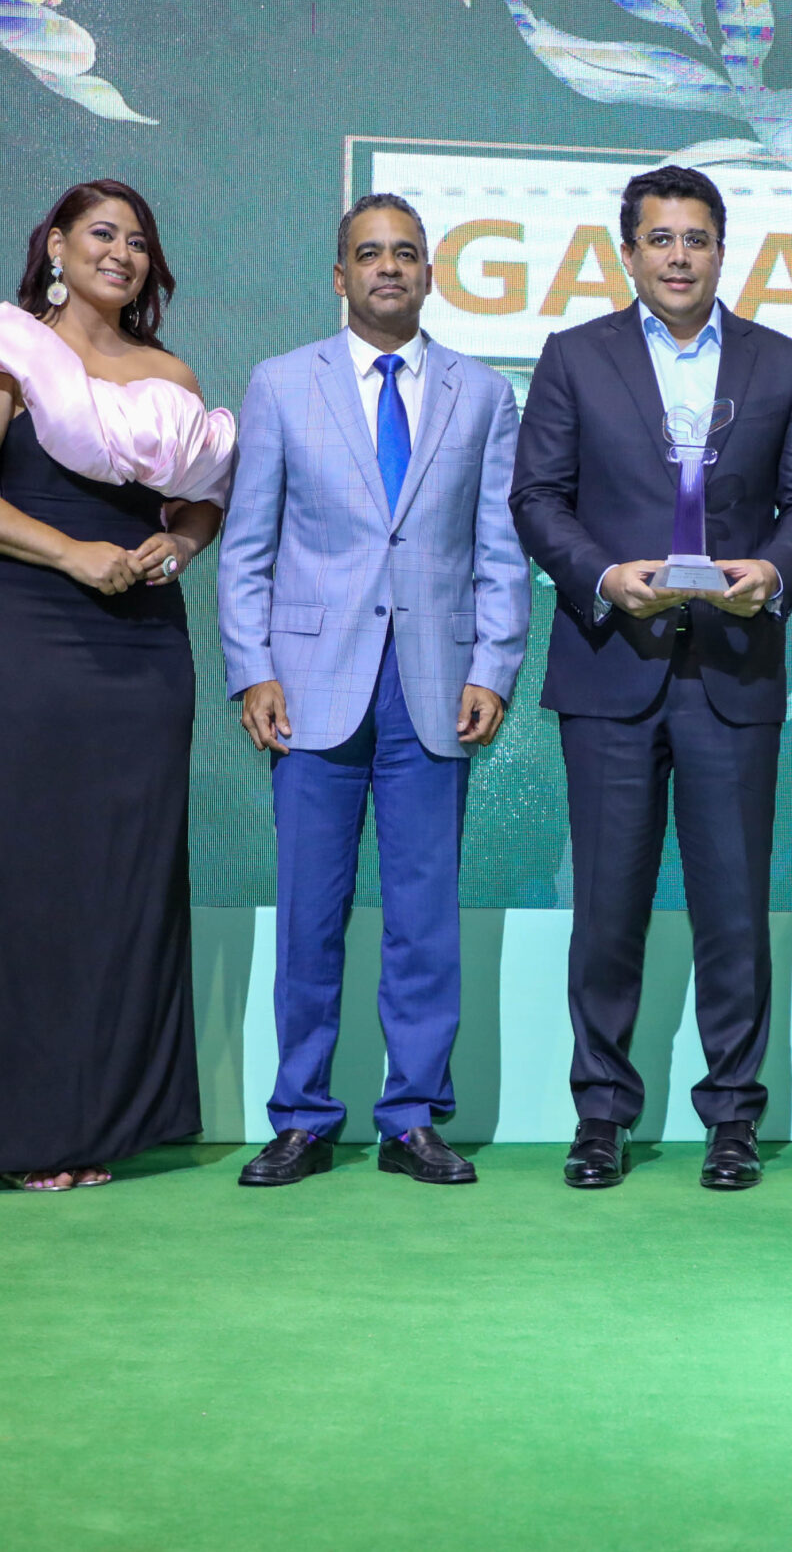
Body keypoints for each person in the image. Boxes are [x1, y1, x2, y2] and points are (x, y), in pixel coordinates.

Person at [510, 165, 792, 1191]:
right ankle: (601, 1115)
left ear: (722, 250)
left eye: (697, 238)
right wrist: (603, 577)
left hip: (731, 670)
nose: (679, 256)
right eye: (660, 238)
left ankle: (732, 1119)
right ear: (628, 253)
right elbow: (537, 498)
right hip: (612, 665)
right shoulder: (575, 357)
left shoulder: (782, 363)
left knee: (733, 911)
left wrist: (772, 572)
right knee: (606, 908)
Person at [0, 179, 236, 1191]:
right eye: (102, 233)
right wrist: (70, 553)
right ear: (54, 244)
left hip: (146, 647)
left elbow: (201, 503)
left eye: (138, 241)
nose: (122, 253)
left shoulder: (170, 372)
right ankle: (21, 1131)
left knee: (126, 880)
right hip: (34, 636)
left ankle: (107, 1124)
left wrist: (179, 546)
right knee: (26, 877)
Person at [216, 195, 529, 1188]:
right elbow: (248, 545)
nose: (387, 267)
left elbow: (500, 547)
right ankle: (303, 1117)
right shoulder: (281, 383)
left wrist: (493, 667)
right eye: (368, 254)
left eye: (405, 253)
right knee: (309, 915)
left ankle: (412, 1119)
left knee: (424, 920)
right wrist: (252, 668)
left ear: (430, 273)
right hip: (308, 690)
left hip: (435, 688)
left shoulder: (484, 394)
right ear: (339, 276)